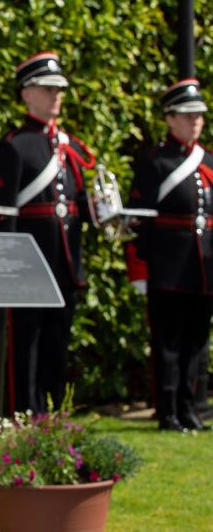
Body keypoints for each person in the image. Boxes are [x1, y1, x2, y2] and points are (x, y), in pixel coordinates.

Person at [0, 52, 95, 413]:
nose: (56, 96)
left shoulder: (71, 147)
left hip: (64, 263)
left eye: (59, 90)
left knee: (57, 345)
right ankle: (23, 413)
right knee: (26, 349)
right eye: (47, 89)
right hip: (29, 267)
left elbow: (79, 206)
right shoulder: (14, 145)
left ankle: (51, 416)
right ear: (27, 94)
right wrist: (9, 268)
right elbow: (3, 216)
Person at [126, 78, 213, 432]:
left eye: (198, 116)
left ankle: (189, 407)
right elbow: (138, 223)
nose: (194, 122)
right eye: (186, 115)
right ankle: (168, 411)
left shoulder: (207, 161)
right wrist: (140, 271)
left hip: (203, 267)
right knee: (168, 344)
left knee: (197, 342)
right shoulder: (155, 163)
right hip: (167, 267)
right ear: (170, 119)